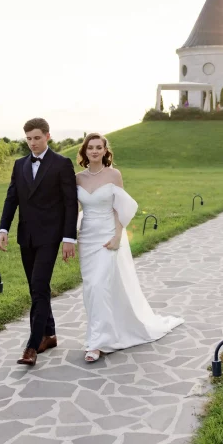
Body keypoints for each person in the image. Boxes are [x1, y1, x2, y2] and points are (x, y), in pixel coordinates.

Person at [75, 133, 183, 362]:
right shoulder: (78, 178)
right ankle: (102, 332)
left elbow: (119, 209)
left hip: (107, 236)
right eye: (90, 147)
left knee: (99, 285)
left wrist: (117, 236)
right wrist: (68, 237)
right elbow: (73, 209)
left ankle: (97, 343)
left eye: (98, 147)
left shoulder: (114, 175)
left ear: (105, 151)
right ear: (84, 152)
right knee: (91, 288)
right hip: (87, 238)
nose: (94, 151)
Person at [0, 118, 78, 367]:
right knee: (36, 288)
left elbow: (70, 203)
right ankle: (50, 334)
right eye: (29, 139)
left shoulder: (61, 163)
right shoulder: (20, 164)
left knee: (39, 284)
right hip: (26, 235)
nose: (33, 143)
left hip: (51, 236)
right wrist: (3, 228)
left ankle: (32, 345)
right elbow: (12, 199)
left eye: (37, 138)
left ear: (47, 136)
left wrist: (68, 238)